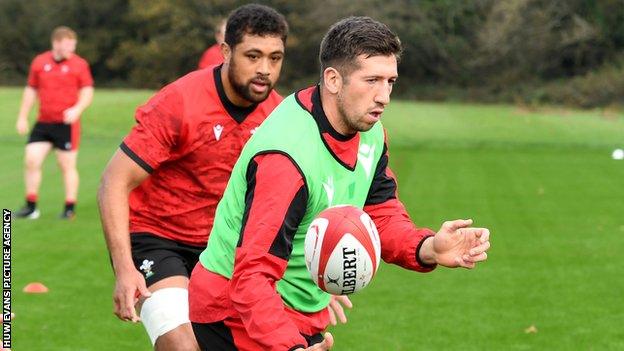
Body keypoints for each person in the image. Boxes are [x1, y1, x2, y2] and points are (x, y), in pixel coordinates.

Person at [188, 16, 492, 351]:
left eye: (390, 81)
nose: (384, 96)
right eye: (372, 80)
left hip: (295, 310)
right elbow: (251, 278)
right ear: (333, 79)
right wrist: (289, 346)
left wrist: (428, 247)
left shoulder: (371, 132)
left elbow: (380, 213)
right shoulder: (287, 158)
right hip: (234, 313)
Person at [98, 5, 350, 351]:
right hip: (158, 238)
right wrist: (125, 269)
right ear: (226, 52)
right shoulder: (180, 102)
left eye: (275, 58)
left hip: (226, 248)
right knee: (182, 345)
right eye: (253, 56)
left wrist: (314, 274)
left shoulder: (282, 117)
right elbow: (114, 181)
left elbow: (291, 203)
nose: (264, 69)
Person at [14, 26, 94, 220]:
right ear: (56, 43)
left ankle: (69, 208)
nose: (71, 49)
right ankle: (31, 206)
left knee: (66, 165)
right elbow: (31, 90)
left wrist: (77, 109)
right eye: (68, 45)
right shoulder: (40, 62)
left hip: (66, 125)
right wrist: (23, 116)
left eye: (73, 45)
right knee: (31, 159)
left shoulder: (79, 64)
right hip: (43, 123)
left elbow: (87, 91)